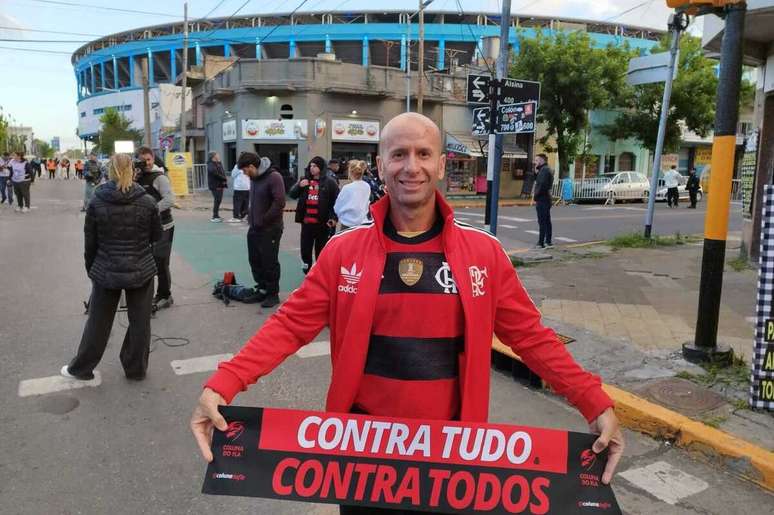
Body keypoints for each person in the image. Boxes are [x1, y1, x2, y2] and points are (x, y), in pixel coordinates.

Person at [191, 114, 624, 514]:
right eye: (398, 154)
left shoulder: (483, 253)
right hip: (360, 454)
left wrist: (593, 401)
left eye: (422, 154)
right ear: (380, 166)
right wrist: (224, 383)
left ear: (440, 165)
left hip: (452, 456)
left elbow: (530, 337)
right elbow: (289, 326)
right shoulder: (344, 252)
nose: (410, 166)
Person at [61, 153, 162, 382]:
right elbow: (156, 236)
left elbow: (91, 242)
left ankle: (82, 368)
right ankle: (135, 370)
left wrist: (92, 269)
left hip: (106, 269)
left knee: (98, 321)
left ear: (109, 171)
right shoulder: (147, 202)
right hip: (141, 269)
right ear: (133, 171)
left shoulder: (97, 201)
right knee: (140, 322)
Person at [242, 153, 286, 308]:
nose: (244, 174)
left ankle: (272, 294)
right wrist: (250, 215)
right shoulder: (254, 179)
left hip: (270, 228)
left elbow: (280, 202)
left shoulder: (274, 177)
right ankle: (261, 289)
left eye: (245, 170)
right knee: (254, 259)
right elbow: (254, 200)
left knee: (269, 261)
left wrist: (263, 219)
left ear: (252, 167)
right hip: (255, 227)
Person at [135, 146, 176, 310]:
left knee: (161, 263)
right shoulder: (136, 178)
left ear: (153, 158)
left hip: (164, 226)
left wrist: (150, 211)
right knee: (146, 263)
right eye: (143, 160)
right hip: (144, 229)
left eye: (149, 159)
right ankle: (148, 296)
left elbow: (169, 200)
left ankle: (165, 295)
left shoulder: (160, 178)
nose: (147, 163)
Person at [288, 156, 339, 274]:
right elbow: (292, 195)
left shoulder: (330, 182)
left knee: (321, 251)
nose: (312, 168)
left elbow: (336, 202)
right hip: (307, 224)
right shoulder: (304, 180)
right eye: (310, 166)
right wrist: (299, 186)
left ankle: (320, 273)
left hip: (322, 223)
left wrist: (333, 218)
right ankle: (307, 271)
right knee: (305, 250)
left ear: (321, 168)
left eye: (314, 166)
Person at [334, 159, 372, 230]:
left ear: (350, 172)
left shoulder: (347, 188)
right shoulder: (367, 186)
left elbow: (337, 207)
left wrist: (341, 215)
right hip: (363, 223)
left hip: (347, 224)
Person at [533, 153, 554, 249]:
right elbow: (538, 181)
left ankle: (541, 242)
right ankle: (548, 241)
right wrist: (536, 171)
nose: (535, 162)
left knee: (542, 221)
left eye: (537, 160)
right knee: (546, 220)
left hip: (542, 199)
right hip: (546, 198)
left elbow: (541, 185)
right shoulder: (544, 170)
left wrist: (535, 197)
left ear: (541, 160)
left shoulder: (544, 170)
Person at [206, 152, 228, 222]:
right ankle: (214, 216)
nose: (218, 156)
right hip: (215, 185)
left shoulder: (218, 163)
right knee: (217, 200)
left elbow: (222, 171)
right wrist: (223, 178)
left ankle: (217, 215)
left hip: (220, 184)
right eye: (217, 155)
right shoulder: (210, 164)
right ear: (213, 157)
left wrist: (220, 162)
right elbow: (214, 172)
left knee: (219, 200)